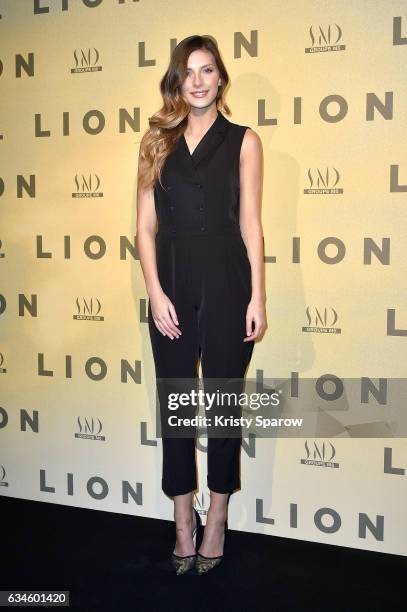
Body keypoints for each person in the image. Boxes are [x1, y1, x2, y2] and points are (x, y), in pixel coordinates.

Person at [136, 34, 266, 575]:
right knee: (176, 406)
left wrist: (258, 292)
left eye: (207, 70)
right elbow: (143, 227)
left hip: (228, 281)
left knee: (223, 401)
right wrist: (154, 291)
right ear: (175, 80)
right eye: (187, 71)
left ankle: (217, 516)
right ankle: (181, 519)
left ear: (221, 79)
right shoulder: (155, 141)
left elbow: (252, 223)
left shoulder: (243, 140)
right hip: (169, 280)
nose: (197, 80)